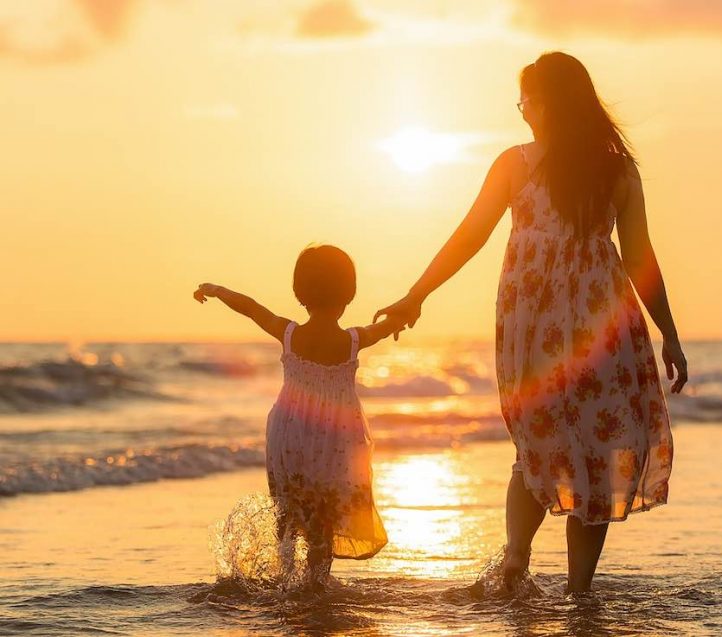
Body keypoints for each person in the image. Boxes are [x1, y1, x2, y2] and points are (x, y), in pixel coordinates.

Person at [374, 51, 687, 594]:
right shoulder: (615, 168)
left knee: (538, 444)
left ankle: (517, 563)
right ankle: (578, 592)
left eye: (525, 99)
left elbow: (470, 235)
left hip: (534, 325)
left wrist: (416, 296)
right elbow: (639, 258)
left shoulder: (517, 164)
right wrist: (670, 334)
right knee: (595, 448)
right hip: (604, 326)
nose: (521, 111)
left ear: (545, 103)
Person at [194, 244, 400, 586]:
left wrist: (216, 290)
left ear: (299, 292)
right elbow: (391, 324)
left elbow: (250, 308)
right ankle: (315, 583)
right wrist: (403, 315)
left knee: (288, 510)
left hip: (289, 434)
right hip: (335, 440)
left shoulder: (289, 333)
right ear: (349, 294)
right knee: (324, 518)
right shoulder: (352, 340)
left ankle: (286, 578)